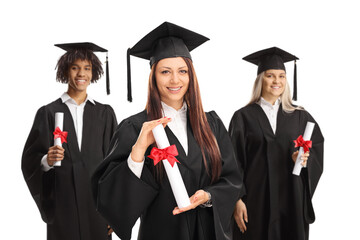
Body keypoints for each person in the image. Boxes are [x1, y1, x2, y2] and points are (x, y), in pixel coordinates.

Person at [91, 22, 242, 240]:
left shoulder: (212, 124)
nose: (175, 80)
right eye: (165, 72)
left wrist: (208, 196)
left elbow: (232, 179)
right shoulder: (135, 128)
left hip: (207, 233)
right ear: (153, 76)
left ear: (191, 76)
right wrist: (139, 149)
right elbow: (112, 200)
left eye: (182, 71)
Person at [21, 42, 117, 240]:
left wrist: (115, 213)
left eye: (87, 68)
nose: (81, 74)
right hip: (62, 206)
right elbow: (29, 160)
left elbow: (114, 165)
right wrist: (47, 160)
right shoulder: (48, 112)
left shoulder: (104, 114)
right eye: (75, 68)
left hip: (97, 208)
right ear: (66, 71)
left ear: (94, 72)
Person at [229, 47, 324, 240]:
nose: (276, 81)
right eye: (270, 75)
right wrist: (237, 199)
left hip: (291, 200)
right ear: (260, 80)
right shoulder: (243, 117)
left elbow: (316, 150)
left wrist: (304, 160)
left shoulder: (300, 116)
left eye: (281, 76)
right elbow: (232, 161)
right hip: (255, 201)